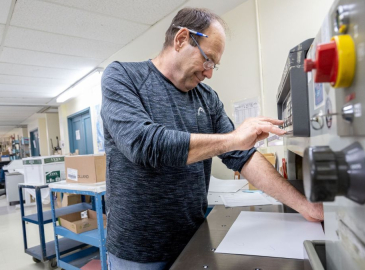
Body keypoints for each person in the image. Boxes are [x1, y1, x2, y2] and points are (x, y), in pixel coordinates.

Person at [100, 7, 324, 270]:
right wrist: (233, 139)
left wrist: (305, 206)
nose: (209, 73)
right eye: (208, 60)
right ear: (181, 38)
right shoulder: (123, 77)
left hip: (192, 241)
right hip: (138, 253)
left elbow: (242, 155)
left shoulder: (207, 99)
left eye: (214, 65)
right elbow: (143, 144)